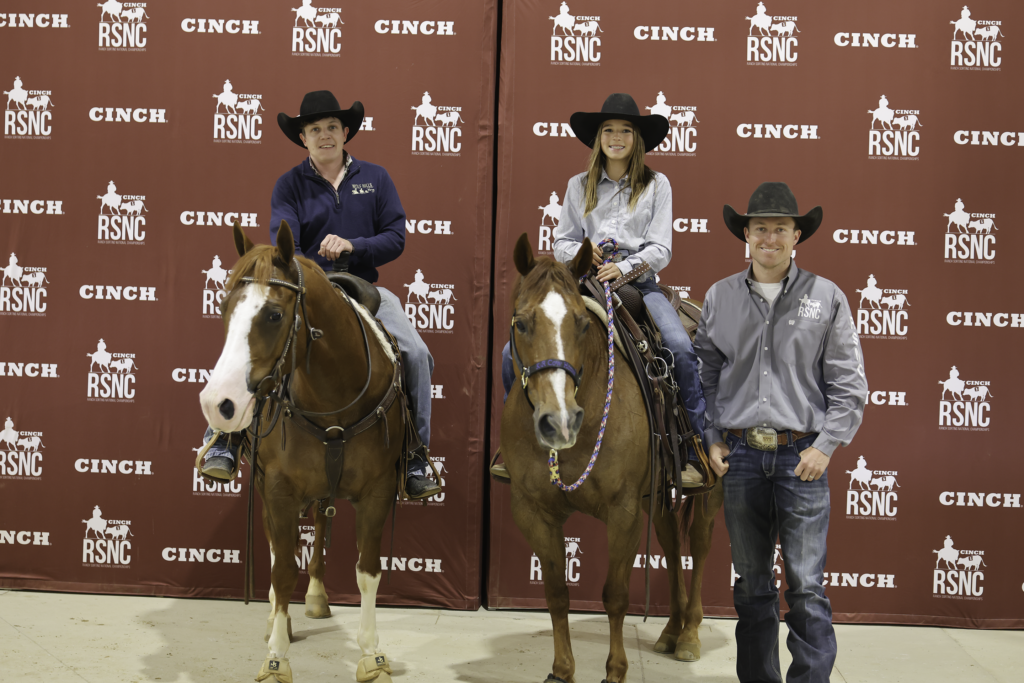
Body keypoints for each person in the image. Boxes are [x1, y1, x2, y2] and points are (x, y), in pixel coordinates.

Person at [199, 90, 440, 500]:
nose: (324, 135)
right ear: (303, 138)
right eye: (315, 129)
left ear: (346, 132)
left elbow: (395, 238)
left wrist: (353, 245)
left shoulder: (376, 178)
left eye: (332, 127)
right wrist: (310, 263)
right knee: (254, 343)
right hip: (307, 288)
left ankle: (415, 452)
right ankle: (224, 439)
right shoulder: (289, 185)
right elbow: (284, 241)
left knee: (416, 354)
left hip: (366, 287)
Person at [693, 182, 867, 683]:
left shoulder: (826, 297)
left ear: (797, 237)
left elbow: (849, 383)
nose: (770, 238)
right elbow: (704, 375)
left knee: (807, 588)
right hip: (742, 457)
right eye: (760, 228)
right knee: (751, 588)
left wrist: (826, 446)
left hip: (802, 460)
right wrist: (712, 436)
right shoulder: (720, 297)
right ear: (745, 235)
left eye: (781, 229)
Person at [492, 93, 706, 487]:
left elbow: (661, 248)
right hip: (583, 279)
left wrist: (621, 268)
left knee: (679, 347)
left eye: (625, 130)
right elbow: (562, 241)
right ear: (599, 138)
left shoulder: (657, 185)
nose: (617, 137)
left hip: (638, 283)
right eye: (609, 130)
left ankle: (695, 448)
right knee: (510, 354)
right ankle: (521, 442)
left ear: (637, 139)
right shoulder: (579, 185)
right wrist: (585, 257)